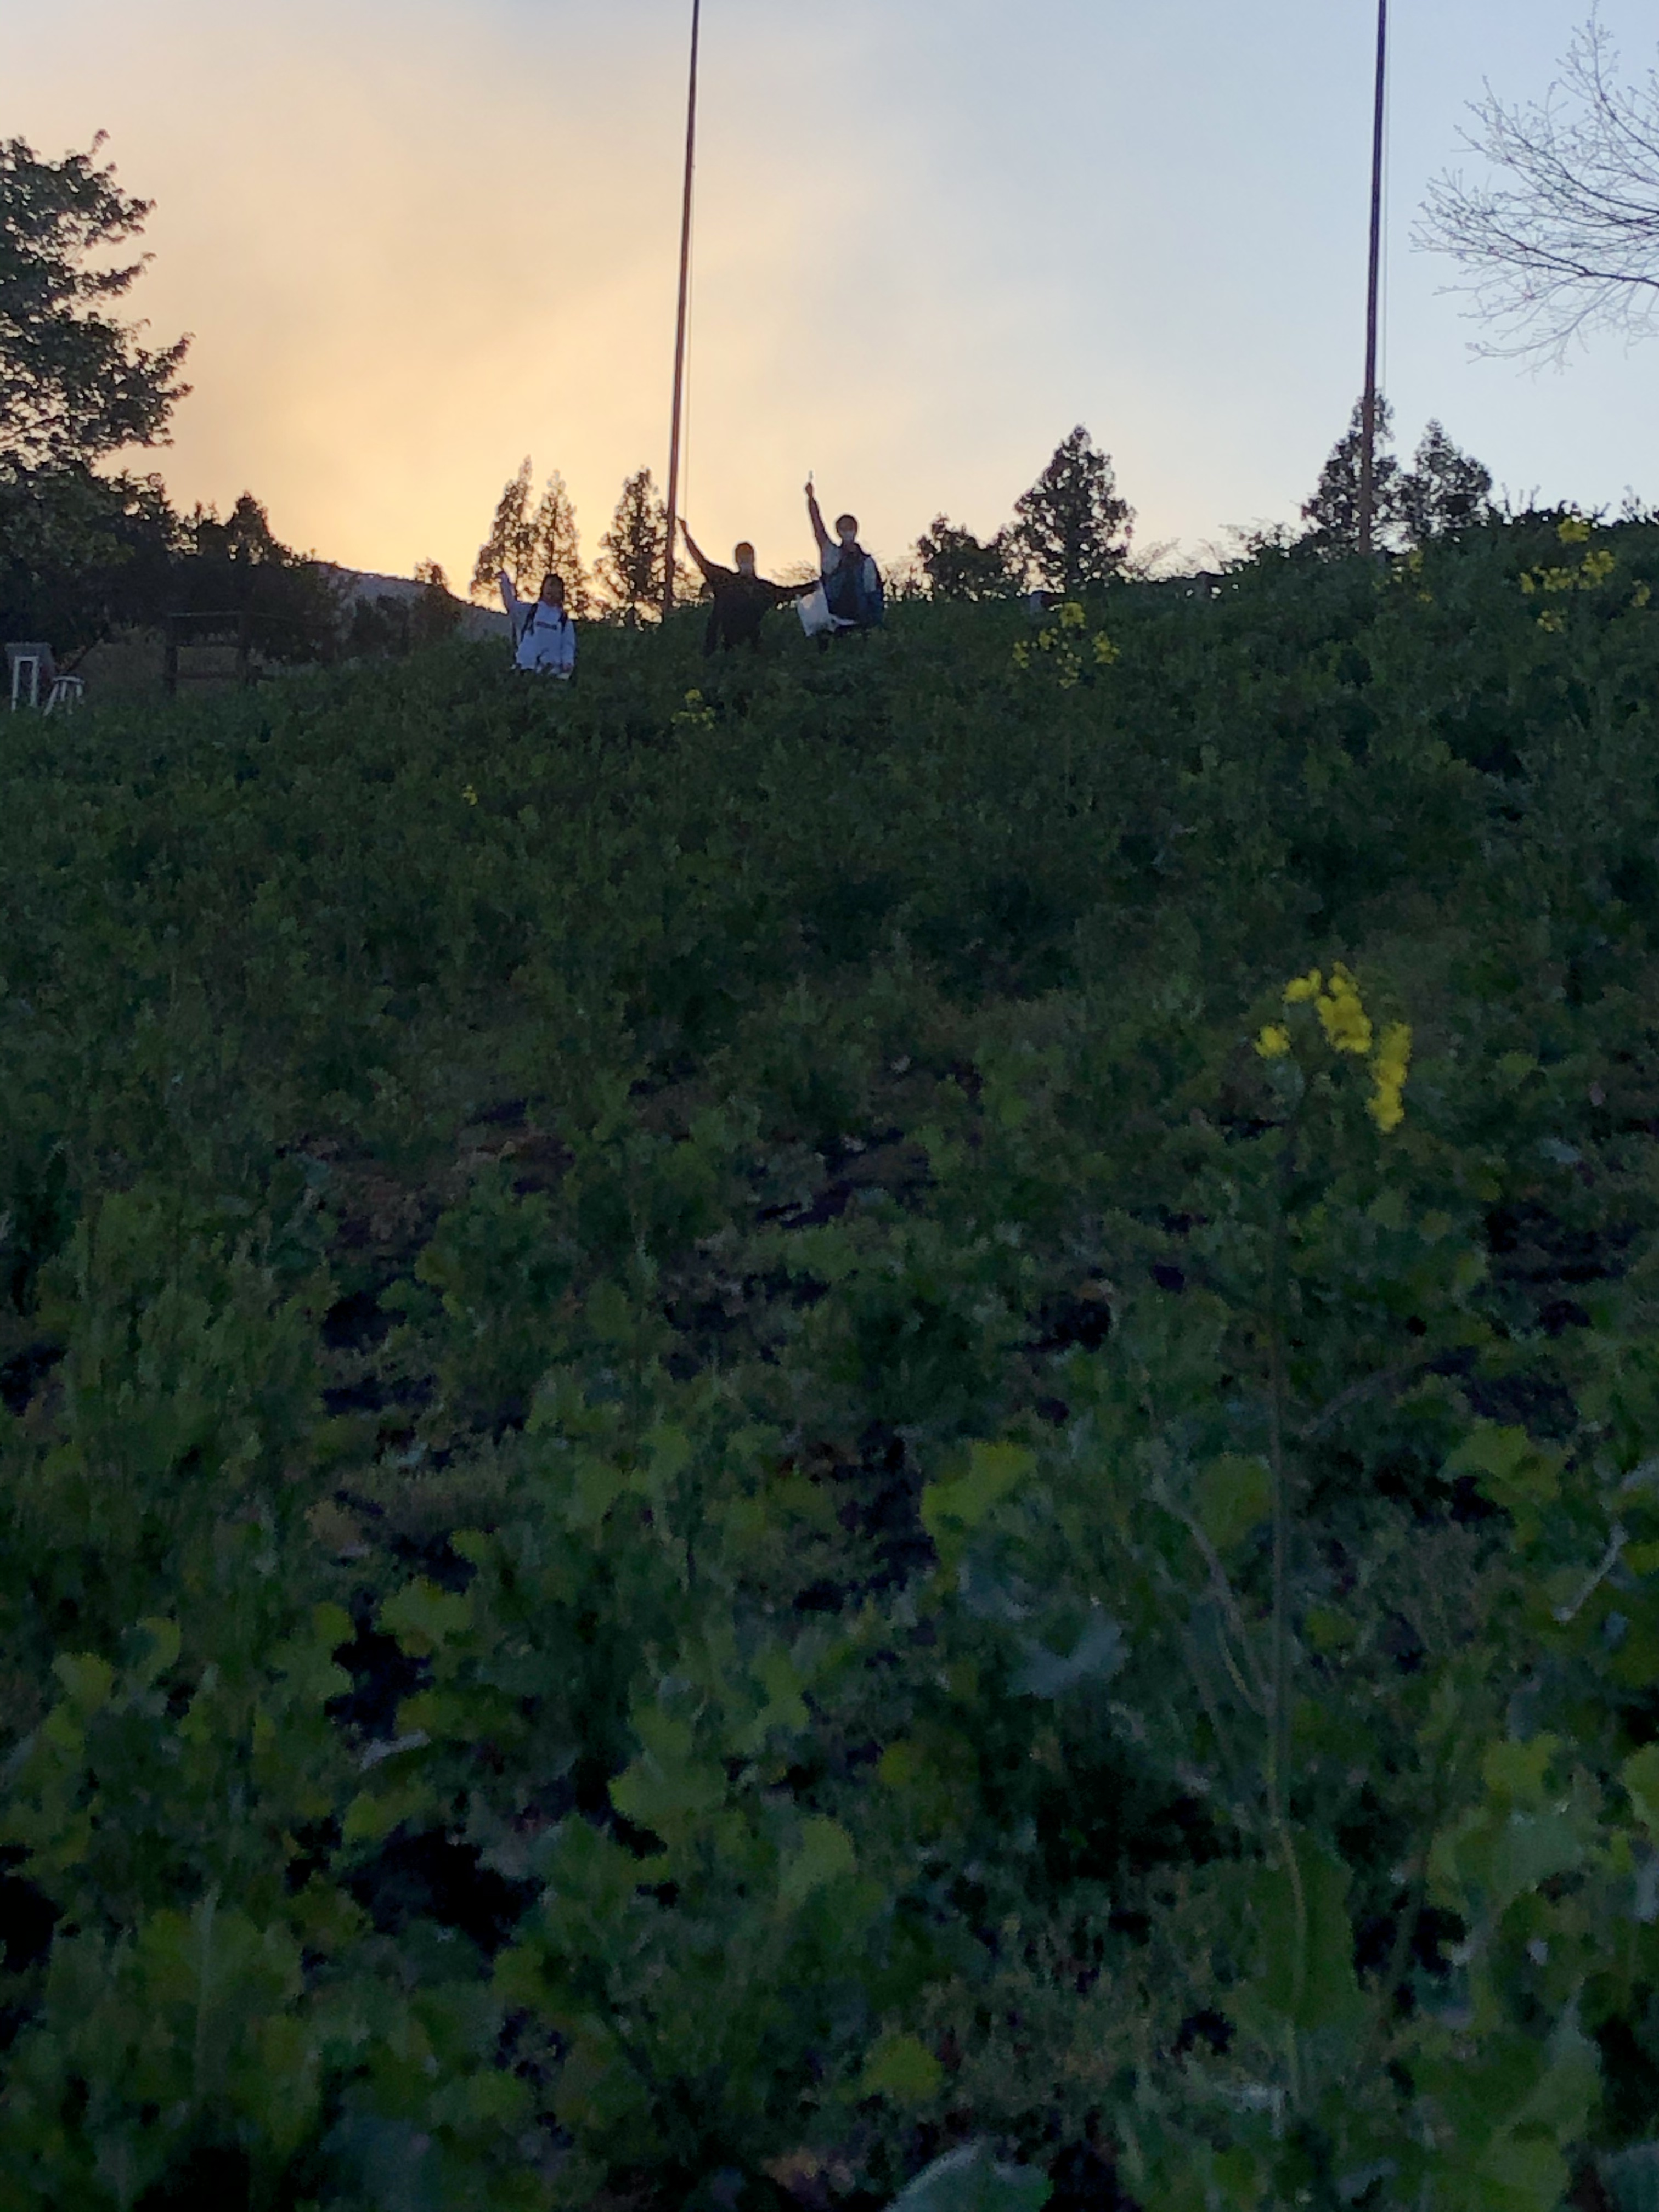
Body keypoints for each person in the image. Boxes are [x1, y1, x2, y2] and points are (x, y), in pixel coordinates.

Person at [680, 524, 807, 656]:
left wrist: (816, 586)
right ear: (736, 560)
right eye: (742, 557)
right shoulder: (726, 582)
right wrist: (686, 536)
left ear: (754, 558)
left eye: (747, 556)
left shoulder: (764, 589)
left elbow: (790, 593)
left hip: (755, 652)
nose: (745, 560)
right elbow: (702, 562)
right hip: (724, 651)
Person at [805, 478, 885, 634]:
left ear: (856, 529)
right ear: (838, 531)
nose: (848, 531)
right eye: (844, 528)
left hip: (860, 624)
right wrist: (811, 500)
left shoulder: (867, 563)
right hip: (833, 623)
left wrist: (876, 626)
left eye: (850, 527)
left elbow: (875, 595)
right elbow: (818, 528)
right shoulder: (831, 554)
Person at [498, 569, 577, 680]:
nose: (551, 589)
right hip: (525, 669)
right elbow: (511, 605)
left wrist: (568, 663)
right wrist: (504, 581)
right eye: (550, 585)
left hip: (550, 674)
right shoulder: (530, 612)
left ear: (561, 592)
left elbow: (568, 645)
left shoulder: (564, 620)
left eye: (556, 586)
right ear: (543, 588)